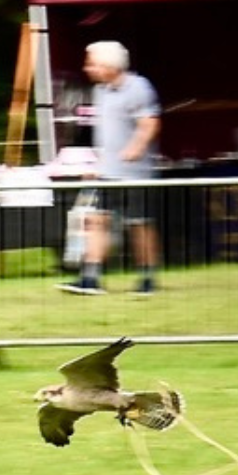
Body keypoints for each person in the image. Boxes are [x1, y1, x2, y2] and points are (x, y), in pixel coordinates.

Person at [58, 41, 162, 296]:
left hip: (136, 173)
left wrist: (136, 148)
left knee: (140, 224)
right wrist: (98, 163)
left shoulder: (138, 87)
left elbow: (149, 124)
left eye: (92, 63)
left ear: (109, 65)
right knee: (96, 221)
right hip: (108, 172)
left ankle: (147, 278)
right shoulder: (101, 91)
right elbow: (106, 133)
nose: (88, 68)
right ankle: (90, 278)